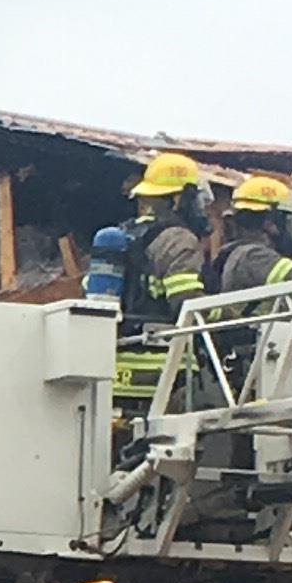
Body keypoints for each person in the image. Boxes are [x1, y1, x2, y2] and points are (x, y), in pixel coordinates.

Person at [87, 151, 215, 431]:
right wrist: (227, 313)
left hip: (116, 367)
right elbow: (186, 302)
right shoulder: (178, 239)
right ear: (180, 198)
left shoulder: (124, 236)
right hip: (162, 372)